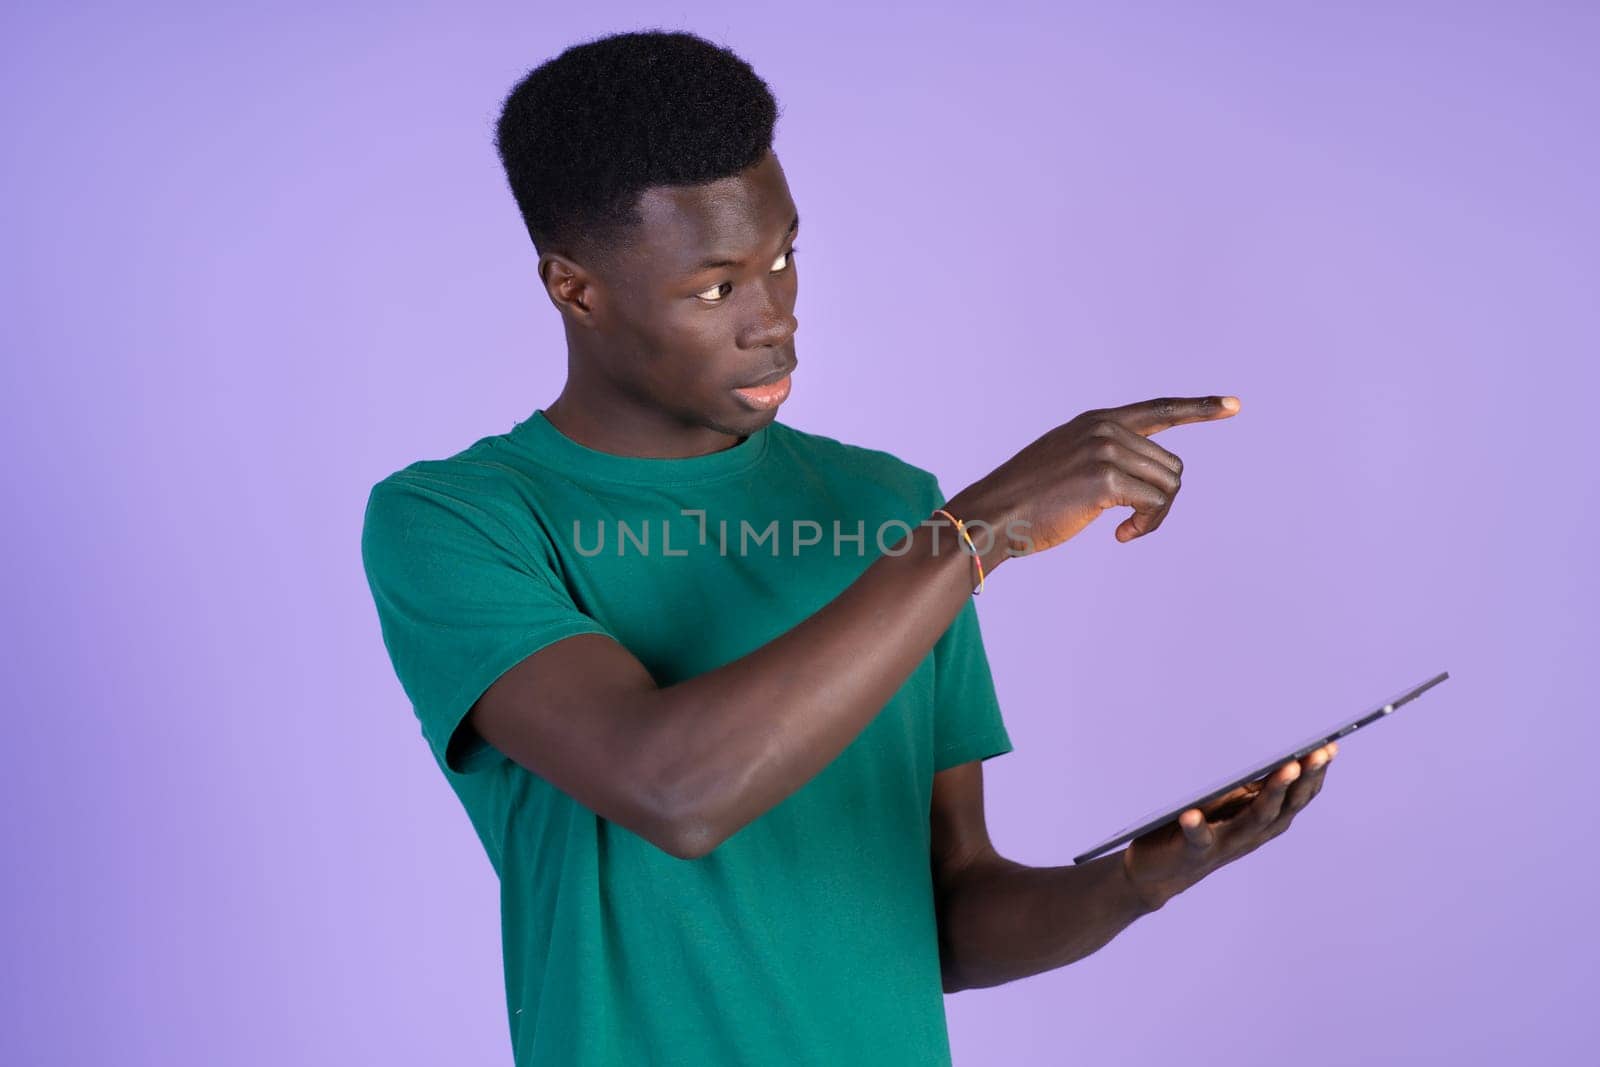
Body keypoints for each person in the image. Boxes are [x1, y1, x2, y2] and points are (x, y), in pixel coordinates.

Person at [359, 29, 1338, 1067]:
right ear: (576, 288)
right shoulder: (460, 518)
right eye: (714, 288)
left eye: (783, 258)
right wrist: (981, 529)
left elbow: (947, 913)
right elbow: (672, 790)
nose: (773, 318)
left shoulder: (886, 506)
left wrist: (1136, 881)